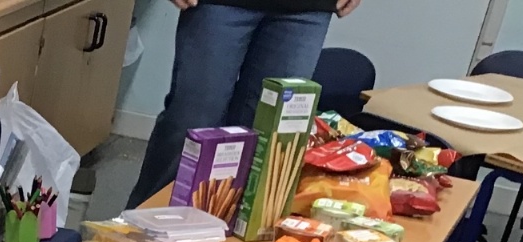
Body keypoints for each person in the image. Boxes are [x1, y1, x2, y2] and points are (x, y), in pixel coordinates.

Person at [129, 0, 361, 207]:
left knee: (265, 135)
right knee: (191, 125)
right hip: (217, 5)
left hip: (306, 10)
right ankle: (138, 229)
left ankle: (219, 232)